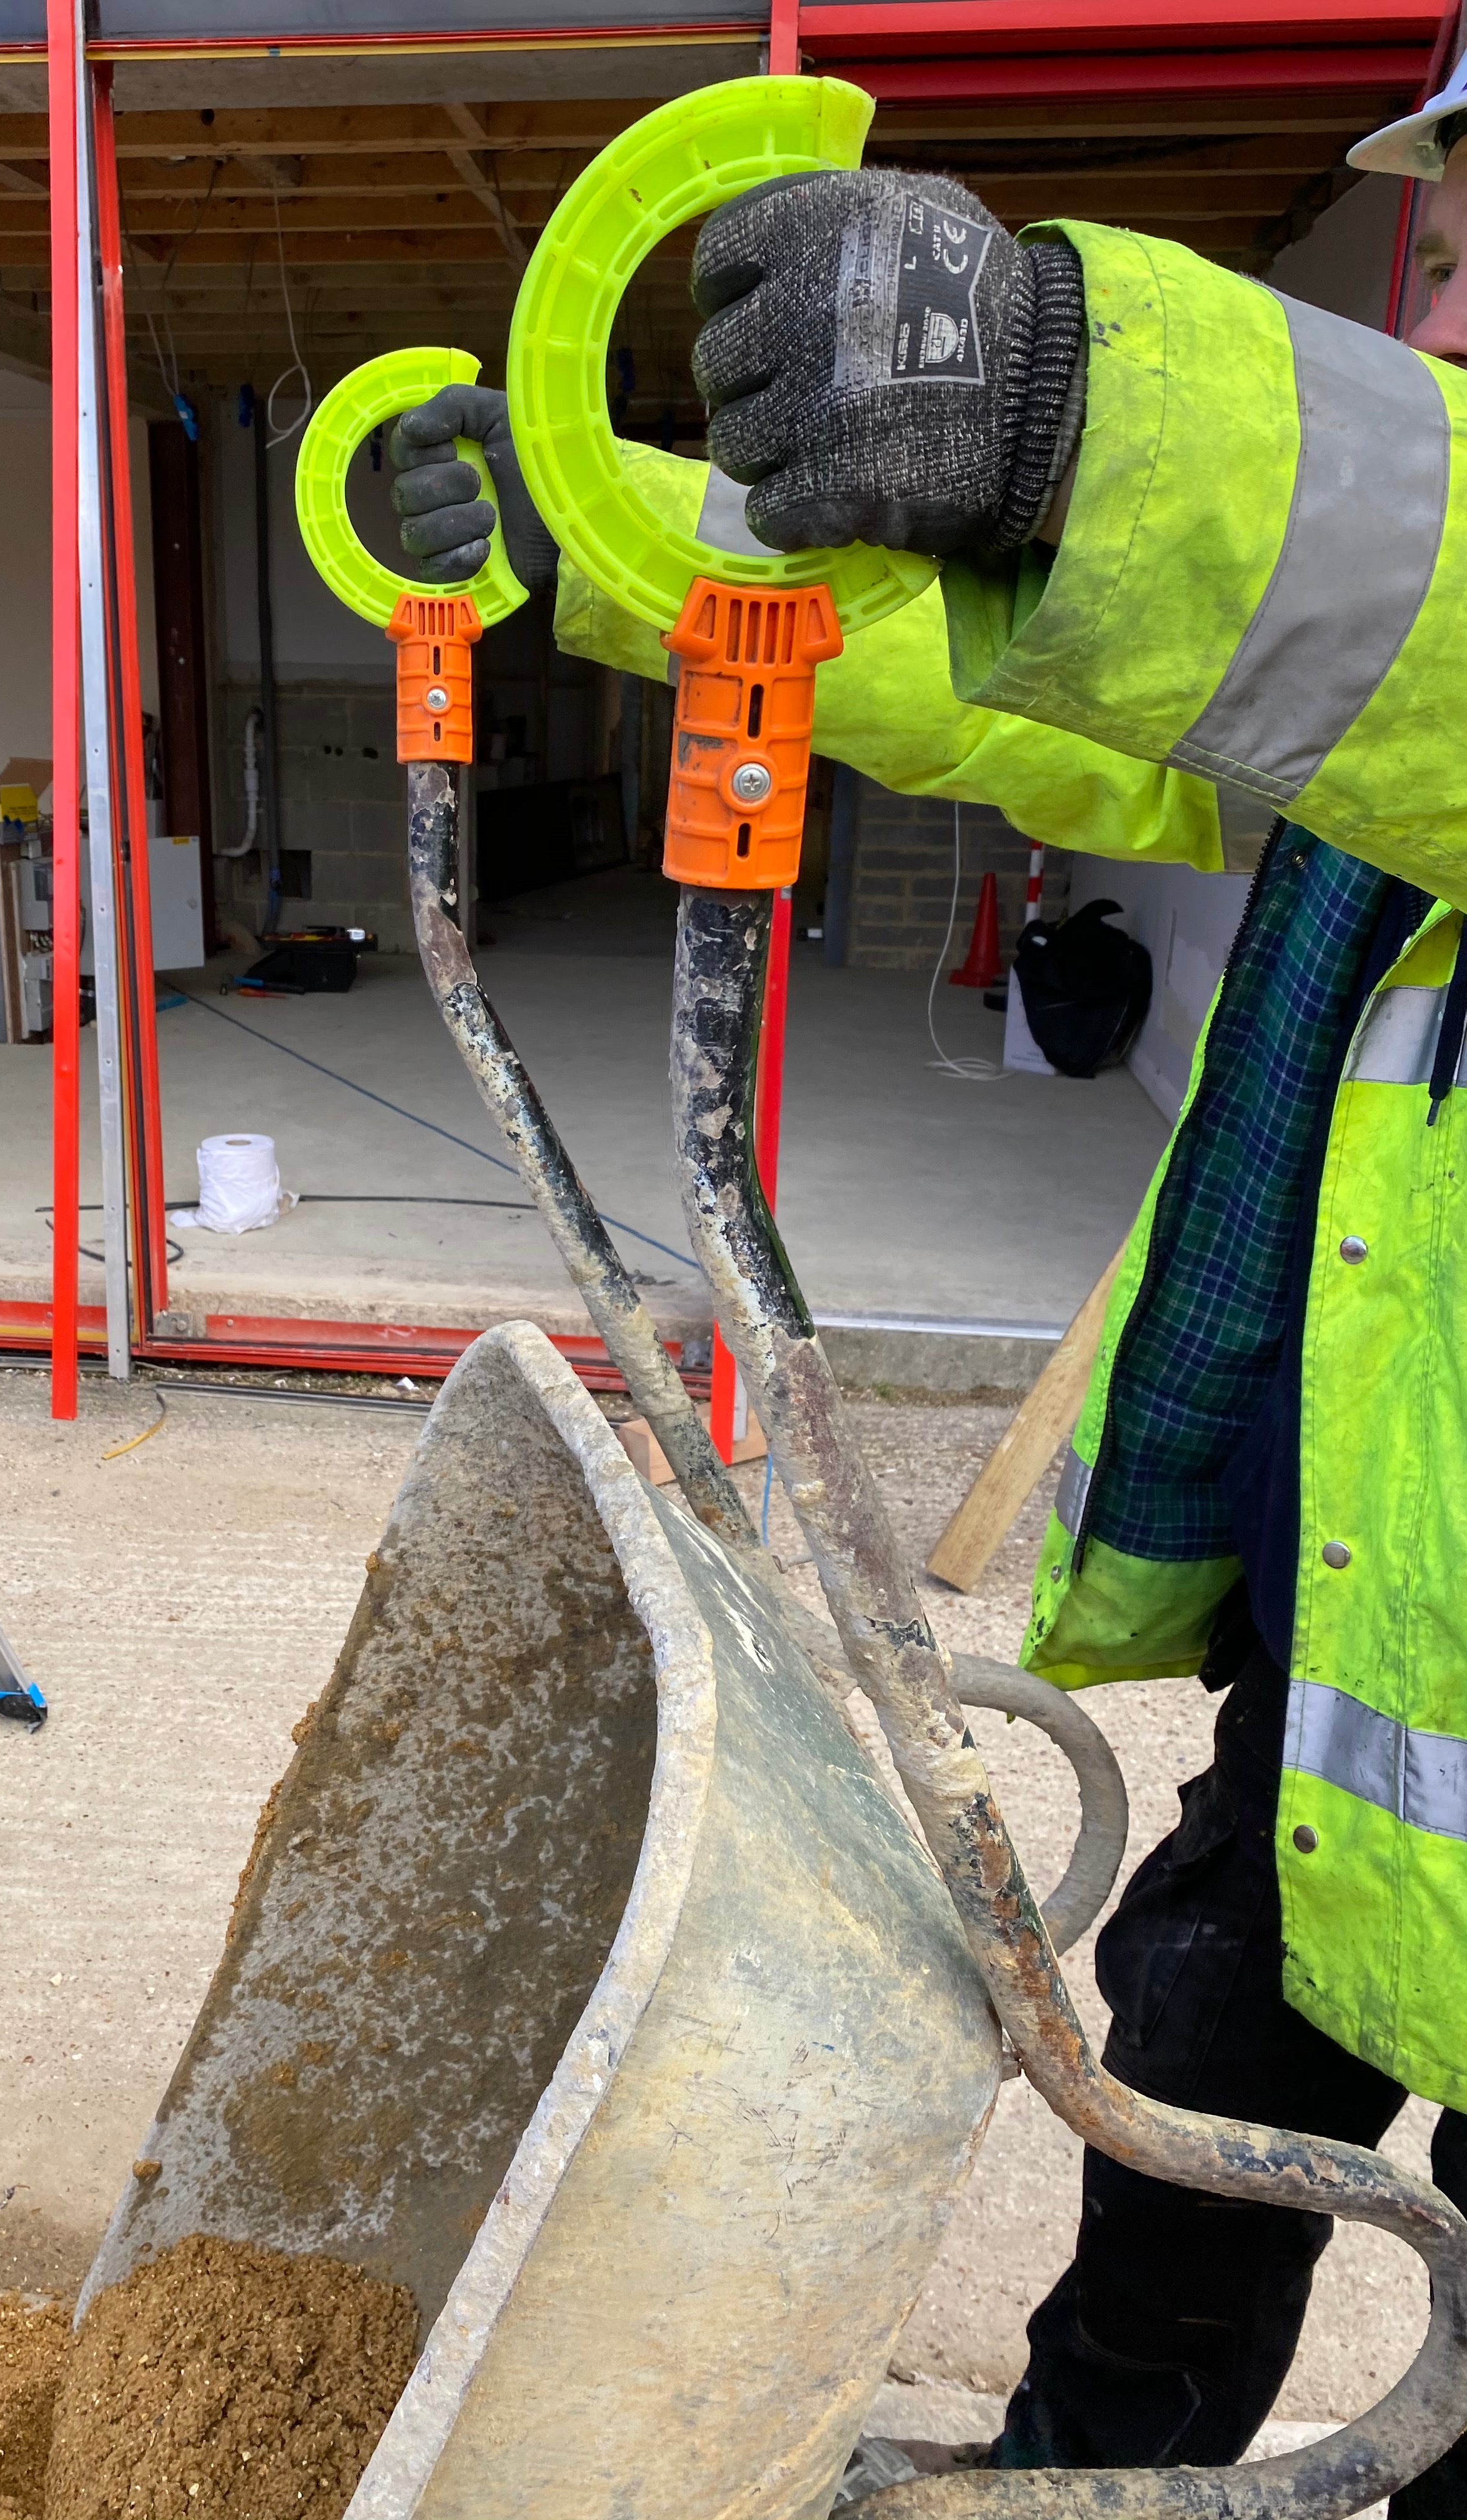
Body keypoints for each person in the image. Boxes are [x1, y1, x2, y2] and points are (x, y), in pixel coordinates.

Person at [387, 53, 1467, 2516]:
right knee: (1190, 2105)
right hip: (1367, 1668)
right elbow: (1041, 693)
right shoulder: (1387, 674)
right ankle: (1083, 2478)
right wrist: (588, 527)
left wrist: (1086, 407)